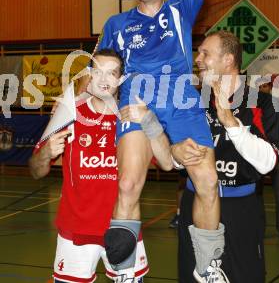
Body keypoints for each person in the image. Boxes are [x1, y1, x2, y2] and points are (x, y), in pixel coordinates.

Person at [91, 0, 226, 283]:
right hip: (136, 102)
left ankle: (207, 266)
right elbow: (103, 70)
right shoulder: (116, 23)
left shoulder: (181, 9)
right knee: (129, 183)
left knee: (207, 181)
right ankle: (124, 270)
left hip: (182, 103)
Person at [29, 49, 172, 283]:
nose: (104, 80)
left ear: (120, 80)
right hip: (76, 230)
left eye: (112, 73)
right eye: (98, 72)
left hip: (124, 226)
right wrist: (45, 154)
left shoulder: (132, 117)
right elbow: (36, 171)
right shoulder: (69, 114)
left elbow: (166, 162)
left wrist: (149, 120)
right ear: (89, 75)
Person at [172, 30, 279, 283]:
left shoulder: (264, 102)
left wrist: (230, 121)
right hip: (195, 204)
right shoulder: (191, 101)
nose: (198, 59)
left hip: (240, 210)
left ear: (228, 60)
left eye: (205, 54)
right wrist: (175, 153)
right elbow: (171, 158)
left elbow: (268, 163)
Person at [259, 81, 279, 240]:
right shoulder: (252, 106)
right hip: (258, 159)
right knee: (256, 197)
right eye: (260, 87)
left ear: (270, 88)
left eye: (265, 86)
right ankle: (257, 228)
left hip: (277, 159)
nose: (263, 89)